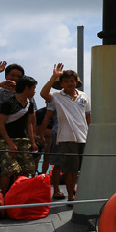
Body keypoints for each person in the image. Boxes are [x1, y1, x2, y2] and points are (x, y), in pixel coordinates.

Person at [40, 64, 91, 201]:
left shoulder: (84, 96)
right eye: (66, 81)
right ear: (61, 83)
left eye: (72, 81)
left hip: (84, 137)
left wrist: (91, 134)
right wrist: (53, 77)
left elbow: (88, 117)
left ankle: (80, 193)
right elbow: (43, 94)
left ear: (76, 82)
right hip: (66, 138)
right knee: (70, 170)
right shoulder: (57, 96)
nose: (70, 83)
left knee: (82, 169)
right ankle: (71, 196)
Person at [0, 76, 38, 192]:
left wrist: (33, 142)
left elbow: (29, 124)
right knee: (10, 170)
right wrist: (10, 143)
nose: (34, 91)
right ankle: (4, 197)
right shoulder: (8, 103)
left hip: (22, 140)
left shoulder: (29, 104)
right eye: (33, 88)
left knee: (27, 168)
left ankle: (20, 195)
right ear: (27, 88)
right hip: (5, 141)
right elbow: (0, 124)